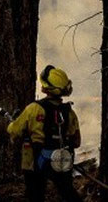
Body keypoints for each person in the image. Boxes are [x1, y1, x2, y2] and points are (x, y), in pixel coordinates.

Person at [6, 65, 82, 202]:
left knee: (35, 195)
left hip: (36, 162)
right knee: (67, 192)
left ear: (47, 88)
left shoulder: (34, 109)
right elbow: (76, 142)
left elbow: (14, 130)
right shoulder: (69, 112)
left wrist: (13, 122)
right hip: (62, 161)